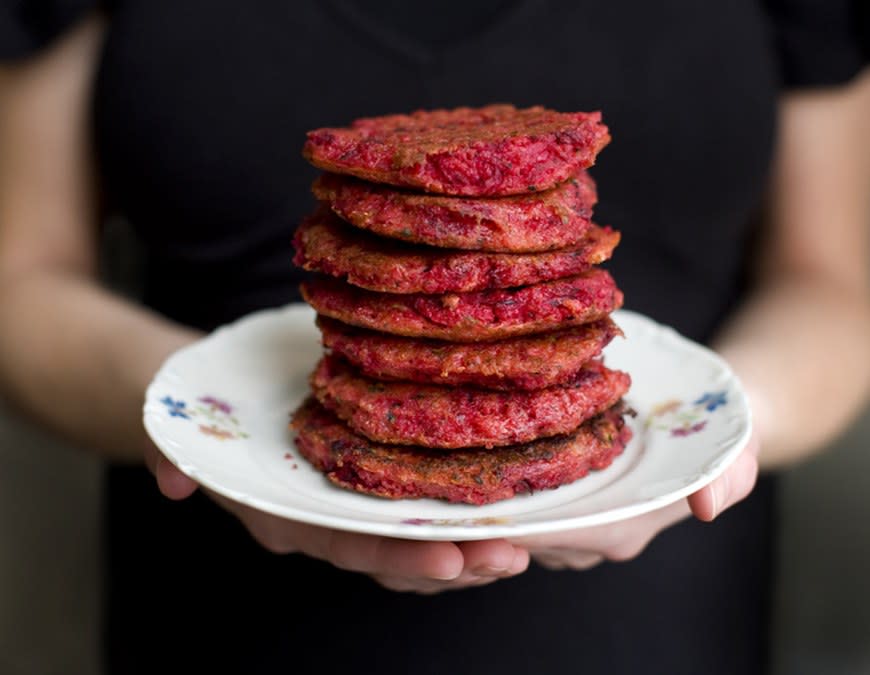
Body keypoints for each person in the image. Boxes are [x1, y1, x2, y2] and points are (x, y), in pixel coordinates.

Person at [0, 1, 868, 673]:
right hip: (218, 617)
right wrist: (188, 413)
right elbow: (19, 278)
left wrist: (719, 430)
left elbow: (834, 282)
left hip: (664, 629)